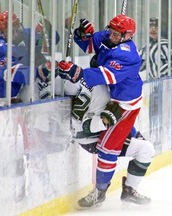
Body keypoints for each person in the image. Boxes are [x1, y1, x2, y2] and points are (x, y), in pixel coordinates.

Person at [58, 14, 153, 208]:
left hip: (124, 105)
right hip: (111, 96)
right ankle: (128, 191)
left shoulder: (128, 54)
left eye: (118, 35)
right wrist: (82, 34)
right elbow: (90, 45)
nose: (113, 36)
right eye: (112, 32)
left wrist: (77, 72)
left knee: (107, 148)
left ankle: (100, 192)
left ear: (128, 36)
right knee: (140, 147)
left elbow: (106, 75)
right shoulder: (110, 36)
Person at [0, 11, 51, 108]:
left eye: (17, 28)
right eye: (12, 31)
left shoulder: (19, 37)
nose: (16, 34)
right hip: (1, 102)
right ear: (0, 33)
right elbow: (18, 73)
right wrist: (39, 70)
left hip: (16, 95)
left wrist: (46, 31)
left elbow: (52, 40)